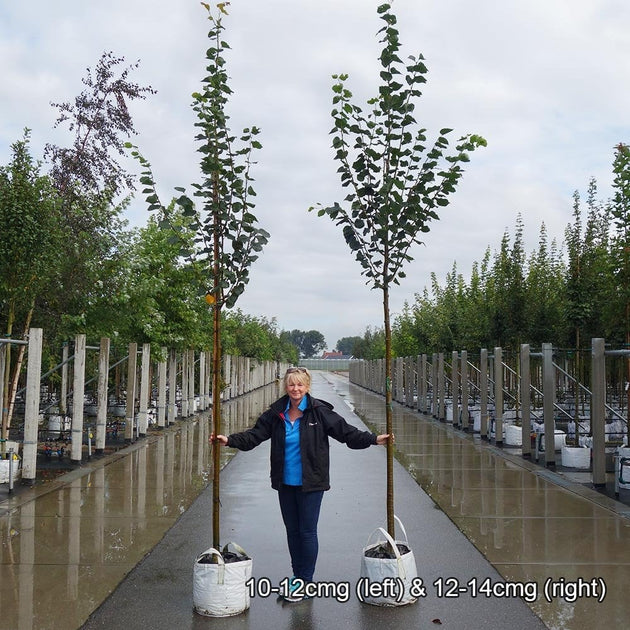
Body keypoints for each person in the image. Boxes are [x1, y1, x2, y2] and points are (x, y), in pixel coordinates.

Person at [212, 366, 390, 602]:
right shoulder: (276, 413)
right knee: (292, 532)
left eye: (300, 385)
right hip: (285, 483)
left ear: (307, 387)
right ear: (286, 387)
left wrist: (374, 439)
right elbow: (254, 436)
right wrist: (229, 440)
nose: (295, 389)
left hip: (312, 483)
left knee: (307, 532)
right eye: (291, 385)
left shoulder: (319, 412)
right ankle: (297, 576)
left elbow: (346, 433)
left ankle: (306, 581)